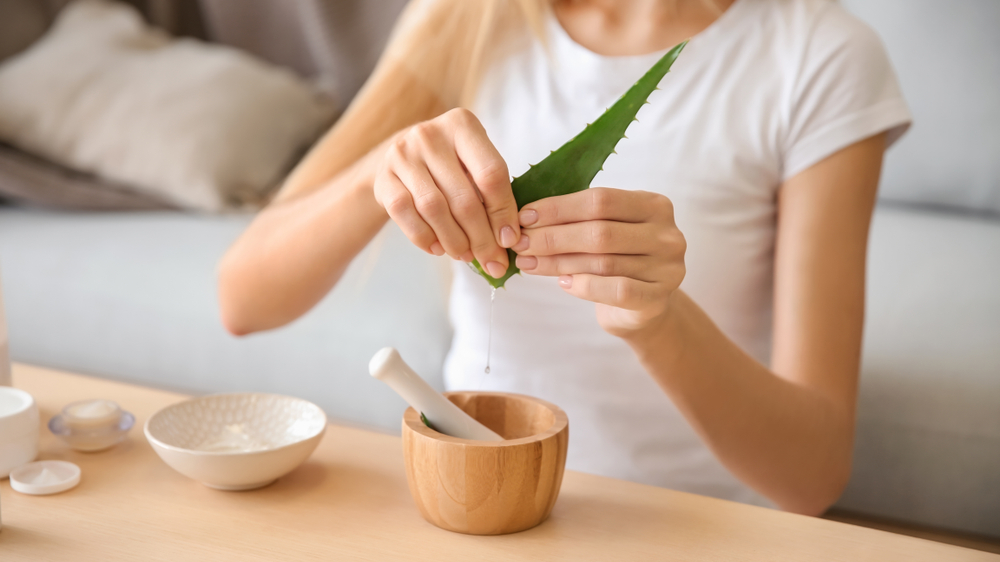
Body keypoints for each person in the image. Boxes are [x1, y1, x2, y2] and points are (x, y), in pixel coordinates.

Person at [218, 0, 910, 515]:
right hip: (476, 506)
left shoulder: (820, 56)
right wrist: (386, 168)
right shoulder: (472, 16)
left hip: (697, 526)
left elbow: (813, 475)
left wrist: (660, 322)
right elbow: (242, 300)